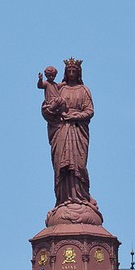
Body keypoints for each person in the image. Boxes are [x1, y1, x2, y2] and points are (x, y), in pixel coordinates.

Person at [38, 58, 98, 223]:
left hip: (77, 129)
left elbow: (89, 110)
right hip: (61, 130)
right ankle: (64, 199)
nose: (71, 74)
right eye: (69, 71)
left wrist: (74, 115)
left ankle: (81, 196)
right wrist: (51, 111)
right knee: (62, 165)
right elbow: (48, 106)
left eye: (74, 71)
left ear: (78, 73)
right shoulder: (59, 88)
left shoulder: (84, 90)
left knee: (78, 164)